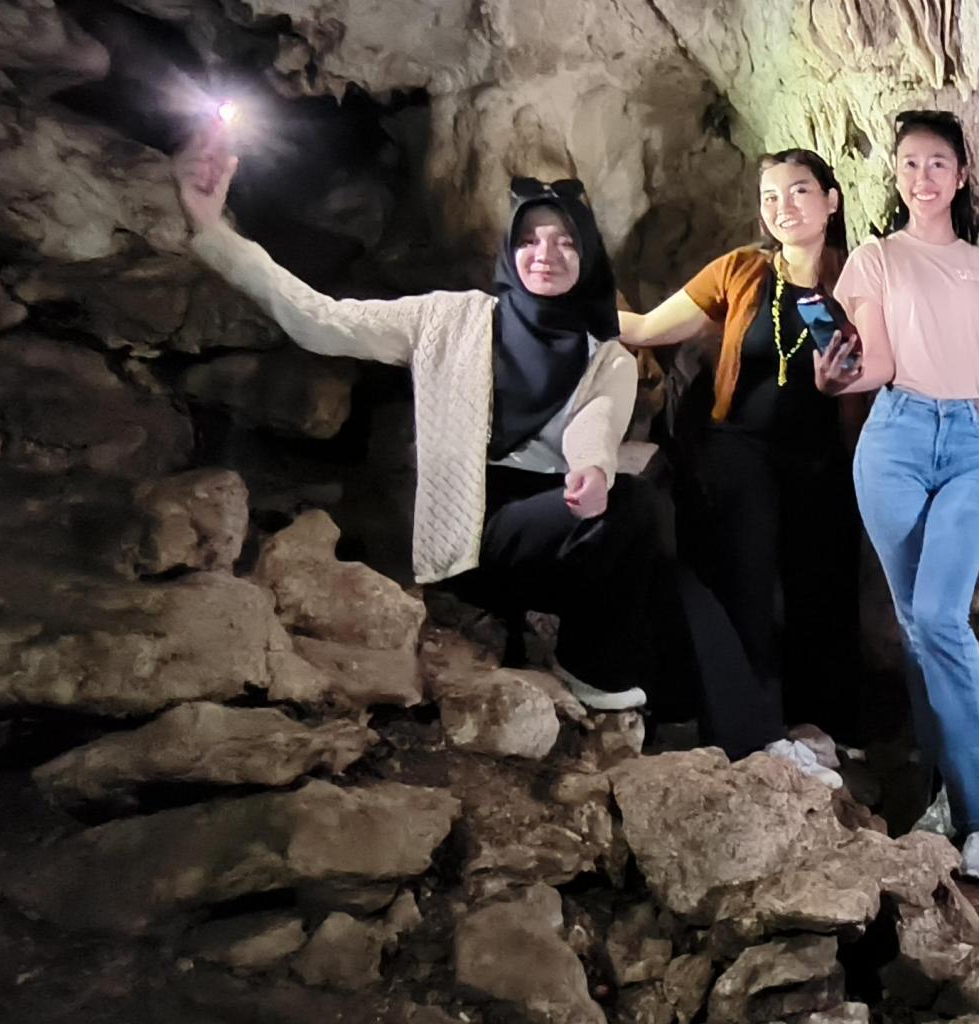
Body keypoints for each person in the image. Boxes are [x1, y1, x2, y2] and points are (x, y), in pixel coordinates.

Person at [174, 139, 656, 712]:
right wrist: (214, 232)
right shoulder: (449, 319)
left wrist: (594, 470)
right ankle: (576, 657)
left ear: (588, 256)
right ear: (510, 250)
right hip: (468, 530)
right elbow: (322, 321)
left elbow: (594, 425)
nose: (544, 254)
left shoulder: (608, 358)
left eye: (565, 241)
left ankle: (595, 668)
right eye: (528, 240)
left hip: (551, 519)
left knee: (639, 508)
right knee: (634, 516)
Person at [815, 110, 979, 883]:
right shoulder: (875, 259)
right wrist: (836, 379)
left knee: (938, 618)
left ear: (961, 176)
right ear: (895, 176)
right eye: (908, 163)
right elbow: (877, 361)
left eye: (937, 162)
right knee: (917, 630)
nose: (922, 176)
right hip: (895, 436)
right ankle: (945, 788)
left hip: (969, 438)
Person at [618, 149, 865, 770]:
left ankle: (824, 724)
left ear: (831, 201)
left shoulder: (859, 277)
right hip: (740, 450)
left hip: (823, 456)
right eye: (771, 197)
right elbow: (646, 328)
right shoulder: (741, 270)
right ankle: (751, 732)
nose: (783, 207)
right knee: (745, 585)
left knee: (821, 588)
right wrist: (558, 306)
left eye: (799, 191)